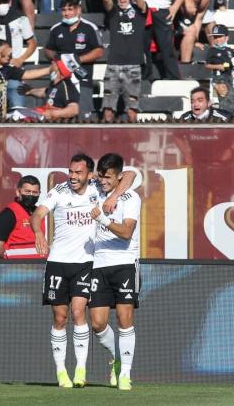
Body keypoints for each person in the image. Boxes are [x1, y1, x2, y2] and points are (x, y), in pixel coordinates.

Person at [31, 153, 99, 388]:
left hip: (85, 263)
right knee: (60, 317)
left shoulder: (97, 190)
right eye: (71, 171)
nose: (72, 176)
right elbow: (38, 214)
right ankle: (61, 371)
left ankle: (80, 369)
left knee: (79, 312)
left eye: (78, 172)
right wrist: (39, 232)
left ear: (90, 174)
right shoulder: (59, 191)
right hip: (58, 262)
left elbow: (127, 176)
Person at [88, 153, 141, 391]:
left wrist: (103, 219)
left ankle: (125, 375)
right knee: (97, 323)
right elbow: (125, 175)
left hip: (125, 263)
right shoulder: (96, 190)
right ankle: (118, 356)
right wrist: (109, 193)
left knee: (124, 318)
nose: (103, 181)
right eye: (101, 175)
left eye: (108, 177)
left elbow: (127, 232)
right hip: (99, 264)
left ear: (118, 176)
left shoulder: (131, 197)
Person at [101, 0, 147, 123]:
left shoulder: (140, 10)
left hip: (133, 65)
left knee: (132, 111)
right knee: (107, 110)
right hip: (113, 65)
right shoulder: (113, 11)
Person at [44, 0, 104, 119]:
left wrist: (78, 59)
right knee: (57, 118)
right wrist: (57, 58)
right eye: (64, 10)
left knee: (83, 119)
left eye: (70, 9)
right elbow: (47, 50)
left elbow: (99, 52)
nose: (67, 13)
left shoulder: (90, 28)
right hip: (60, 82)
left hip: (82, 80)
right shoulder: (56, 29)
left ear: (78, 10)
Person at [180, 0, 231, 64]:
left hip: (183, 19)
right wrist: (186, 0)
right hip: (170, 8)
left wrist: (195, 40)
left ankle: (185, 67)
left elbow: (198, 19)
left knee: (191, 34)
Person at [0, 175, 45, 259]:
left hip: (37, 268)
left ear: (39, 193)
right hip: (16, 269)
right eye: (27, 191)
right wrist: (10, 264)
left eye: (35, 192)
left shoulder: (39, 214)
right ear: (18, 192)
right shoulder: (8, 214)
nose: (31, 195)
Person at [204, 24, 234, 113]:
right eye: (215, 37)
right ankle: (221, 116)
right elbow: (207, 65)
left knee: (230, 99)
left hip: (230, 78)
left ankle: (229, 116)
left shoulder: (229, 50)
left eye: (220, 37)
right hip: (218, 78)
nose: (217, 39)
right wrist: (218, 66)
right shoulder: (212, 50)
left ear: (227, 38)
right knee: (220, 99)